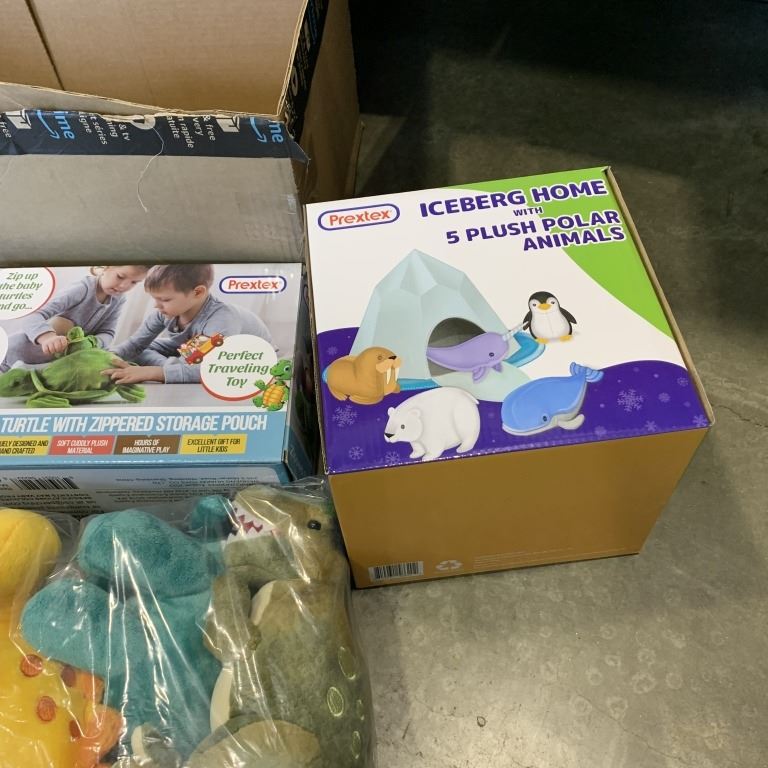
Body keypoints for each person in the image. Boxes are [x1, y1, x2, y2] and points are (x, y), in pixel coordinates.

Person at [105, 264, 273, 385]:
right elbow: (135, 344)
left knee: (208, 369)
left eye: (165, 299)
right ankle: (177, 367)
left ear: (198, 292)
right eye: (155, 299)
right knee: (139, 349)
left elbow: (212, 368)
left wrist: (154, 372)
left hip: (238, 360)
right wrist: (107, 357)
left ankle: (176, 368)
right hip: (193, 350)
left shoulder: (222, 319)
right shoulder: (164, 312)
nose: (157, 306)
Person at [1, 265, 150, 372]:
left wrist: (93, 342)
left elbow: (108, 332)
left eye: (134, 282)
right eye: (120, 276)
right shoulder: (83, 288)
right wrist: (47, 337)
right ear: (105, 267)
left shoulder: (118, 299)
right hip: (15, 353)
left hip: (45, 365)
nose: (124, 285)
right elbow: (33, 314)